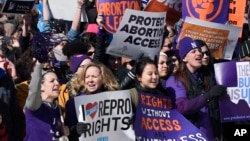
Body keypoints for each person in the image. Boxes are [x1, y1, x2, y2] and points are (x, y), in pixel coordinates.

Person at [165, 37, 227, 141]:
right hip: (192, 136)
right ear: (184, 58)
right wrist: (208, 96)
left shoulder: (208, 76)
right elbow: (182, 107)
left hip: (213, 135)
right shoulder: (176, 80)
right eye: (193, 51)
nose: (199, 53)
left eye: (199, 51)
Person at [64, 62, 120, 141]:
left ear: (103, 78)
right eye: (87, 77)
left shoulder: (114, 99)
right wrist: (75, 130)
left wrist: (128, 120)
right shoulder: (73, 103)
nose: (90, 80)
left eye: (94, 76)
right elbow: (67, 131)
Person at [129, 57, 175, 139]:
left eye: (156, 73)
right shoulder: (131, 95)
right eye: (150, 74)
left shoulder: (162, 96)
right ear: (139, 77)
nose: (154, 77)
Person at [23, 61, 70, 140]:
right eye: (52, 81)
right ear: (40, 87)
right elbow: (33, 91)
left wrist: (64, 133)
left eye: (57, 80)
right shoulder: (35, 106)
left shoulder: (57, 108)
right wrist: (39, 65)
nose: (57, 83)